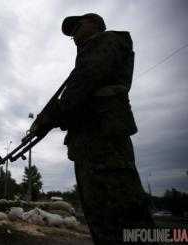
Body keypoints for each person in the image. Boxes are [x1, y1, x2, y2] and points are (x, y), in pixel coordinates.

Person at [30, 13, 157, 244]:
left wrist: (47, 118)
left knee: (125, 219)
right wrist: (50, 119)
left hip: (105, 144)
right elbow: (77, 95)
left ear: (94, 24)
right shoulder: (86, 57)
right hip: (89, 146)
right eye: (71, 34)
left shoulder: (109, 42)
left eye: (77, 26)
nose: (74, 35)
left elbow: (81, 86)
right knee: (101, 221)